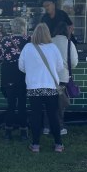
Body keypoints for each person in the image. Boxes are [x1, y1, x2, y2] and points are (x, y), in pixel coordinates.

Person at [18, 23, 64, 153]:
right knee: (53, 116)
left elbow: (21, 67)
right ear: (48, 34)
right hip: (51, 87)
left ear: (34, 34)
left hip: (34, 87)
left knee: (35, 116)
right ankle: (58, 144)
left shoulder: (28, 47)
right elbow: (60, 67)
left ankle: (36, 145)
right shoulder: (53, 48)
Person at [0, 17, 30, 141]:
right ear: (23, 27)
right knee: (22, 105)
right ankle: (24, 132)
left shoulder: (5, 41)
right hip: (24, 76)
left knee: (10, 105)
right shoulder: (29, 40)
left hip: (8, 76)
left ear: (12, 28)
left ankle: (8, 133)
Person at [51, 21, 78, 135]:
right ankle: (60, 127)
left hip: (49, 78)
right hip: (62, 77)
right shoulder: (69, 43)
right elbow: (74, 63)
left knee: (49, 103)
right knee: (60, 104)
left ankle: (47, 127)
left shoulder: (49, 42)